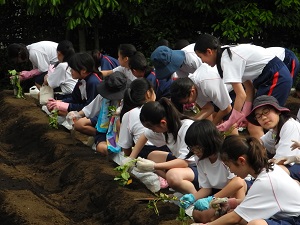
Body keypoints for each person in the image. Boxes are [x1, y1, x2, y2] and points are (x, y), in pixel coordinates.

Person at [194, 34, 293, 138]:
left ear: (209, 51)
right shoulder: (226, 54)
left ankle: (265, 151)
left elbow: (240, 95)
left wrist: (231, 121)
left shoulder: (227, 60)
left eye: (201, 57)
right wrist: (245, 113)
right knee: (255, 120)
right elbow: (249, 89)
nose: (202, 61)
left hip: (275, 76)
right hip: (270, 77)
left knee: (255, 124)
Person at [194, 135, 300, 225]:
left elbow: (235, 217)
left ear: (241, 161)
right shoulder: (270, 169)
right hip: (290, 216)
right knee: (241, 214)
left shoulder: (265, 182)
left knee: (255, 224)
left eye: (228, 165)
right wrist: (232, 202)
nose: (230, 170)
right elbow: (257, 201)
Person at [124, 98, 198, 194]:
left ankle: (194, 196)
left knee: (173, 175)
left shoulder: (186, 128)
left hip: (200, 168)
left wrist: (154, 166)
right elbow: (144, 136)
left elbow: (184, 162)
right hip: (186, 164)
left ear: (163, 123)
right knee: (153, 156)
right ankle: (178, 186)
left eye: (151, 127)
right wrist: (131, 158)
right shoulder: (168, 127)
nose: (152, 131)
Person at [180, 120, 247, 223]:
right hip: (219, 194)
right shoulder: (200, 159)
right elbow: (206, 188)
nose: (195, 152)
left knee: (229, 213)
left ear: (209, 142)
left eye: (197, 148)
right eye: (192, 148)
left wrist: (212, 199)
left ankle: (238, 214)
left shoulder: (225, 155)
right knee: (198, 215)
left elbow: (237, 182)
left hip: (234, 192)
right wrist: (193, 198)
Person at [118, 78, 169, 158]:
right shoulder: (163, 107)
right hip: (156, 150)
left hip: (151, 151)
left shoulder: (128, 115)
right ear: (148, 93)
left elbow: (126, 149)